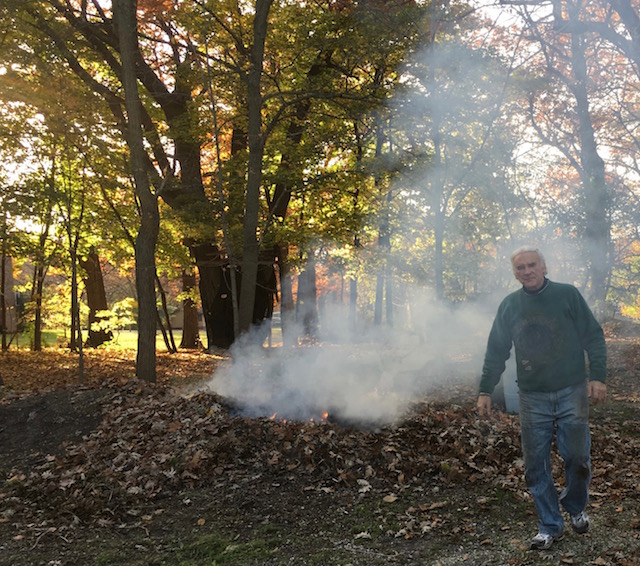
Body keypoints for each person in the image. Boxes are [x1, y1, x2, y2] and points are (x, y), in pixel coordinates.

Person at [477, 246, 607, 550]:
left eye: (532, 265)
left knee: (577, 457)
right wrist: (485, 389)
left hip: (571, 389)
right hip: (532, 395)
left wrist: (598, 376)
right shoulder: (510, 306)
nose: (527, 271)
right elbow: (496, 350)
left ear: (544, 267)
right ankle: (550, 524)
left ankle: (575, 506)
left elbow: (593, 335)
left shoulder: (567, 295)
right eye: (520, 267)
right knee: (535, 464)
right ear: (515, 273)